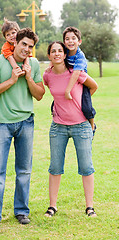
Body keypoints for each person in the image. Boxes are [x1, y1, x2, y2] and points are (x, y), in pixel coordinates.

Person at [0, 27, 45, 230]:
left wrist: (27, 77)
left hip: (26, 123)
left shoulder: (33, 64)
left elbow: (39, 94)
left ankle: (21, 211)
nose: (27, 49)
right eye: (24, 44)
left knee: (24, 171)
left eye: (30, 46)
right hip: (2, 124)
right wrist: (11, 80)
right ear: (15, 43)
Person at [43, 41, 98, 218]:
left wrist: (82, 102)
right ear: (49, 55)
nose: (57, 53)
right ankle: (52, 206)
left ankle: (90, 207)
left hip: (81, 125)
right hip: (58, 127)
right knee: (55, 167)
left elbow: (94, 86)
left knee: (86, 167)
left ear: (65, 54)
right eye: (53, 51)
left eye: (60, 50)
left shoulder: (75, 73)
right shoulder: (48, 75)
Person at [63, 26, 96, 134]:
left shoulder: (80, 55)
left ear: (79, 41)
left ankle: (92, 125)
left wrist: (68, 91)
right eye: (67, 39)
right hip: (69, 80)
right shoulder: (65, 52)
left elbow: (76, 73)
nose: (70, 41)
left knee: (86, 107)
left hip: (82, 83)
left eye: (73, 38)